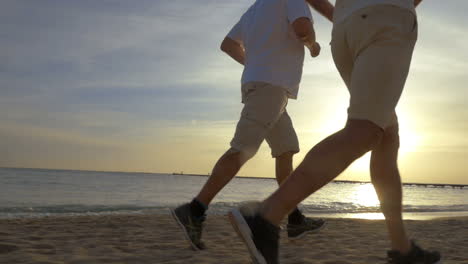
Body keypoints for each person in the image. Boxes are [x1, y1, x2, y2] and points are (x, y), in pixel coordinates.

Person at [229, 0, 442, 263]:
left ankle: (402, 248)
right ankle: (265, 216)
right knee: (364, 130)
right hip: (386, 17)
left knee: (386, 134)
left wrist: (340, 14)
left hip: (344, 31)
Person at [171, 0, 326, 251]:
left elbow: (228, 44)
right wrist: (313, 46)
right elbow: (302, 29)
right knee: (242, 149)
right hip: (270, 88)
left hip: (268, 89)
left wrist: (253, 65)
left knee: (286, 149)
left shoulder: (256, 8)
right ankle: (195, 209)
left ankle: (295, 218)